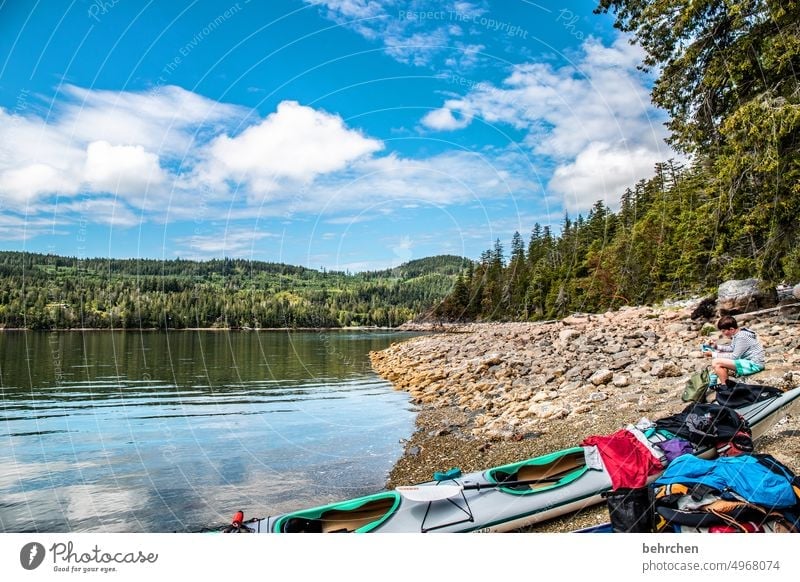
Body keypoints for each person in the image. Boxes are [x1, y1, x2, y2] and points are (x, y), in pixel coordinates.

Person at [703, 315, 765, 385]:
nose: (723, 333)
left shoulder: (741, 337)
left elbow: (734, 357)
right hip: (748, 362)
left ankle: (725, 388)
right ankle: (723, 385)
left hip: (754, 365)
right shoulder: (738, 334)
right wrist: (715, 346)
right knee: (719, 365)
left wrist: (713, 354)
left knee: (716, 362)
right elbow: (732, 348)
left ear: (732, 329)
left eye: (724, 331)